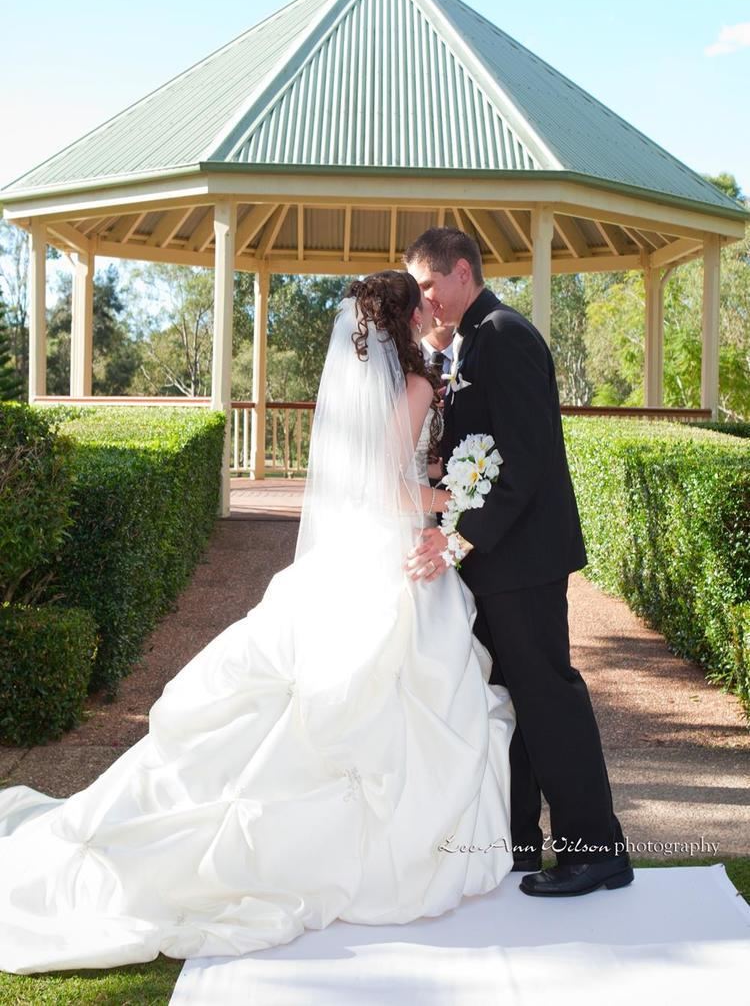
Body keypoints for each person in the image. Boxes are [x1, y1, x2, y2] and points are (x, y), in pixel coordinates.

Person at [0, 270, 516, 975]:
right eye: (421, 298)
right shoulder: (420, 383)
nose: (433, 305)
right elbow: (389, 488)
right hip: (396, 563)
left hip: (357, 559)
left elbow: (371, 472)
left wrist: (434, 480)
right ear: (404, 319)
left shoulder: (382, 383)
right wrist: (453, 495)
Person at [403, 228, 633, 898]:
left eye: (427, 285)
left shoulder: (504, 334)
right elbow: (491, 443)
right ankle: (522, 840)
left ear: (462, 272)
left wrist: (459, 537)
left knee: (549, 698)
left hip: (523, 557)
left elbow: (527, 460)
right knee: (514, 702)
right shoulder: (475, 340)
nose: (424, 301)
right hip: (498, 559)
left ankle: (597, 850)